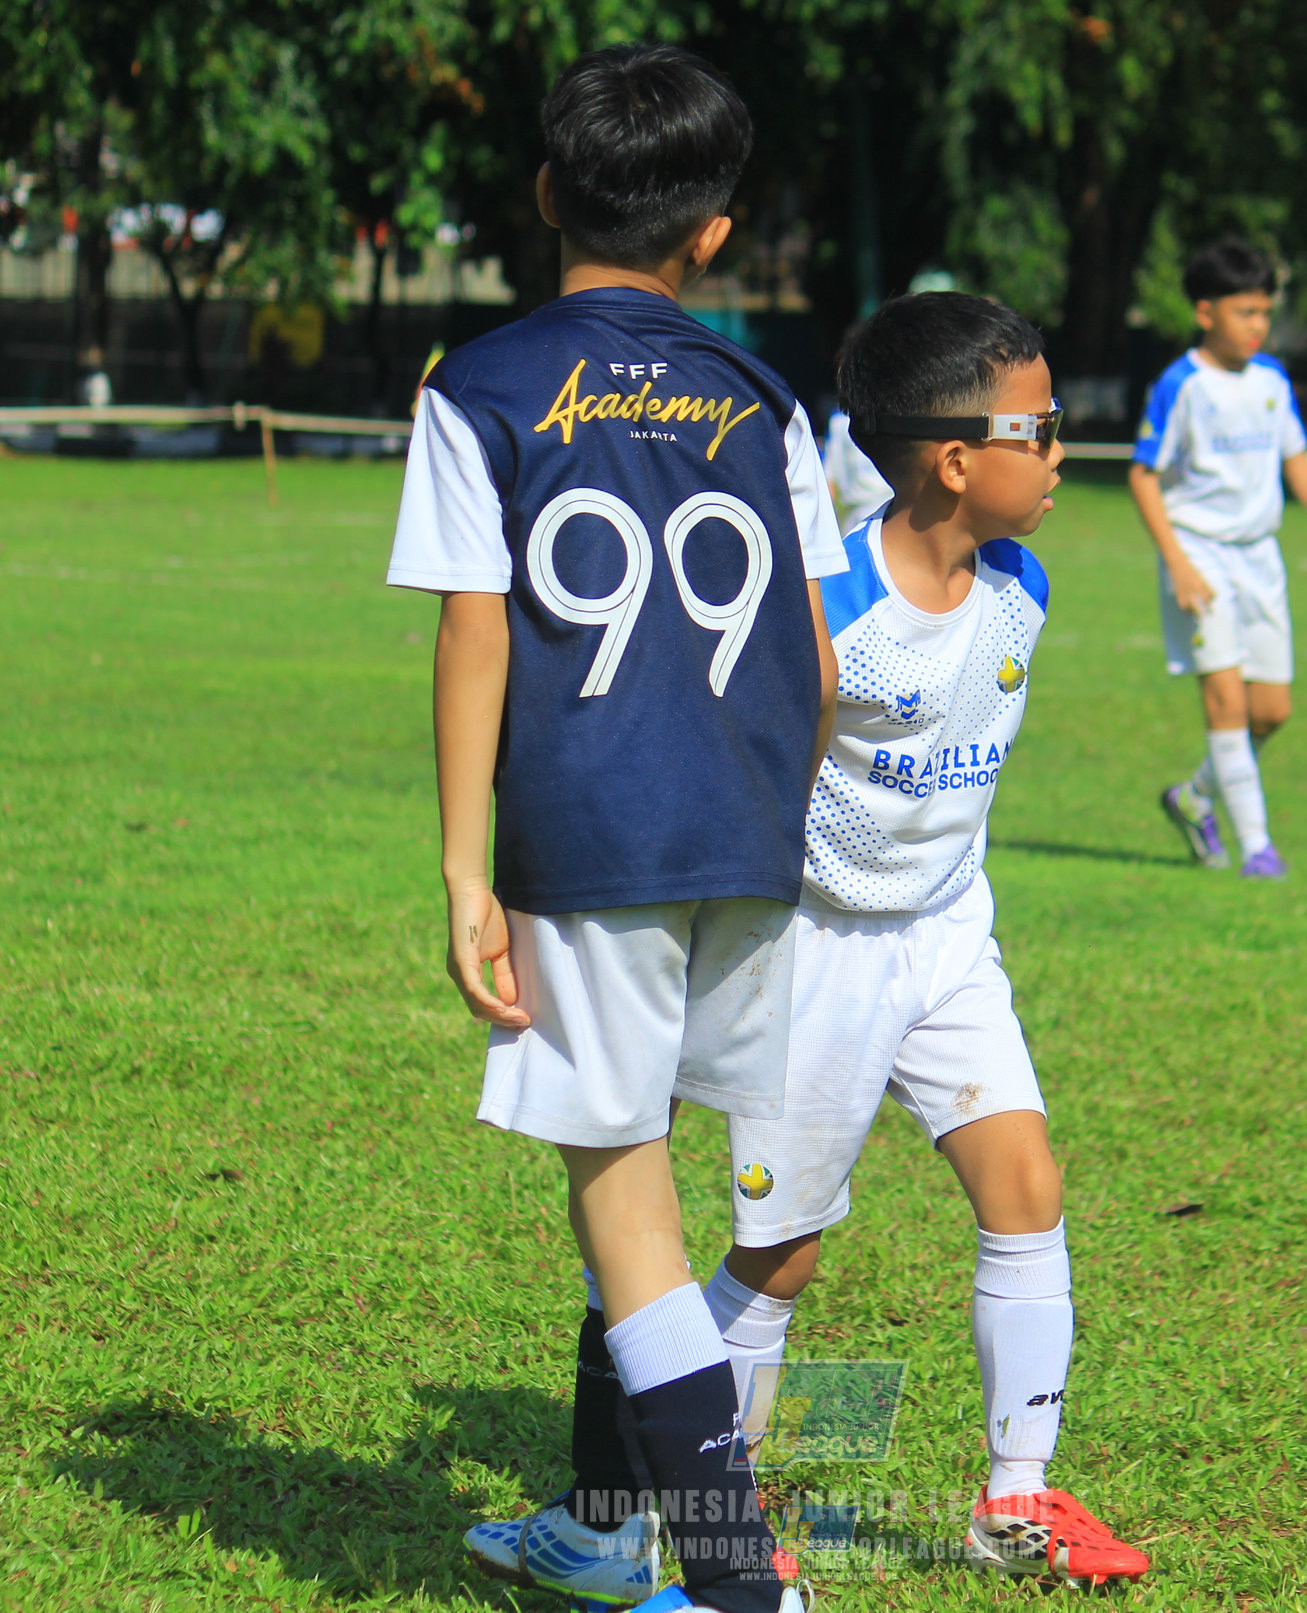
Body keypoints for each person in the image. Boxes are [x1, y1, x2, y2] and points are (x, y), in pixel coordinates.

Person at [384, 45, 842, 1613]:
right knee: (646, 1164)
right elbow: (818, 653)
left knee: (618, 1179)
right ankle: (600, 1530)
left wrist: (463, 871)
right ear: (710, 235)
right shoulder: (766, 396)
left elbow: (476, 633)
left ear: (540, 197)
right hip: (745, 827)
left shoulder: (486, 387)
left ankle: (729, 1579)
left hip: (593, 835)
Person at [704, 291, 1153, 1590]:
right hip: (818, 953)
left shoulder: (1023, 587)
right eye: (1042, 428)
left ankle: (1015, 1501)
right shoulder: (826, 609)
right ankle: (713, 1498)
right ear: (955, 459)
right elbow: (752, 786)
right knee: (780, 1253)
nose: (1063, 452)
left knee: (1024, 1189)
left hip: (949, 932)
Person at [1129, 237, 1307, 879]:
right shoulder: (1182, 384)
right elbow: (1145, 477)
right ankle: (1258, 847)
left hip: (1262, 561)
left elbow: (1295, 458)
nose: (1259, 325)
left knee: (1271, 711)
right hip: (1201, 557)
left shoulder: (1272, 379)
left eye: (1264, 313)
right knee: (1225, 702)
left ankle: (1195, 797)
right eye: (1245, 312)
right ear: (1206, 312)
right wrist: (1177, 560)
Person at [821, 406, 891, 522]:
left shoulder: (893, 413)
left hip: (888, 506)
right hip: (858, 511)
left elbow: (830, 478)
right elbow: (830, 476)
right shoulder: (840, 421)